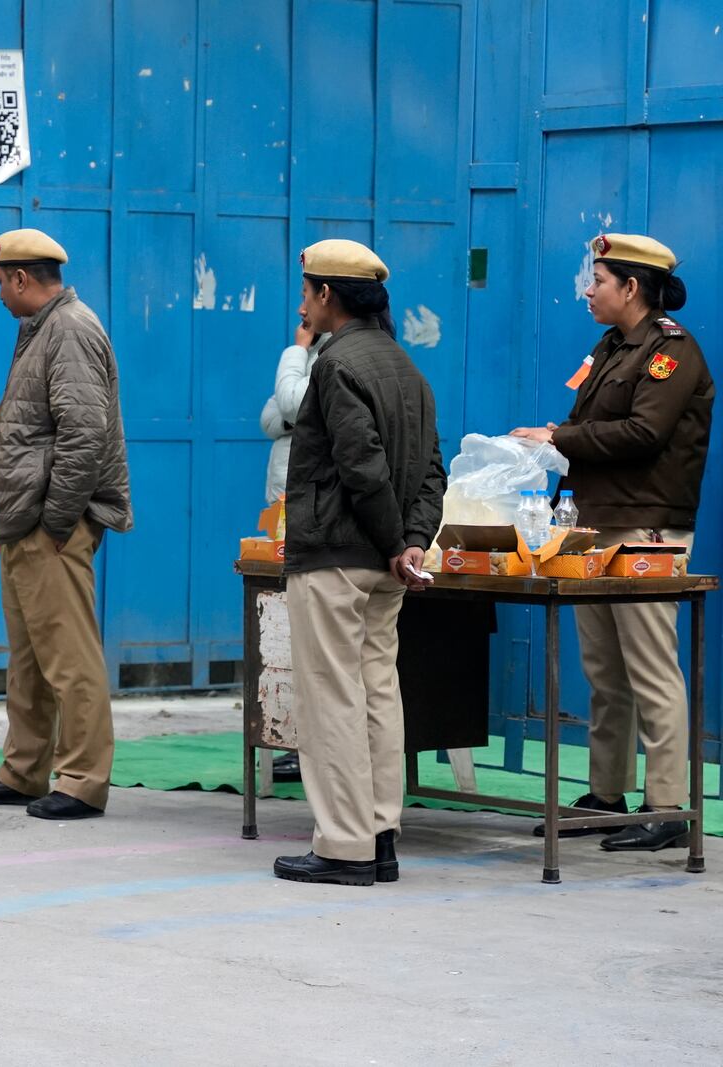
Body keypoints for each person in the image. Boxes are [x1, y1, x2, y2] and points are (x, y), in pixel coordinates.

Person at [512, 233, 714, 851]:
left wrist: (558, 438)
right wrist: (556, 438)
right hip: (595, 525)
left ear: (631, 288)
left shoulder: (670, 353)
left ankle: (667, 805)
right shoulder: (610, 347)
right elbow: (589, 426)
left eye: (597, 280)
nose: (588, 290)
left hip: (646, 526)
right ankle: (608, 794)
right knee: (604, 668)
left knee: (652, 666)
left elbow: (644, 433)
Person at [273, 239, 445, 886]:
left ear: (326, 295)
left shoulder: (334, 363)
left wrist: (393, 535)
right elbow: (433, 469)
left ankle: (343, 845)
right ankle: (380, 835)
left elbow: (360, 465)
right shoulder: (408, 369)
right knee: (378, 692)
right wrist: (411, 543)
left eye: (307, 292)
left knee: (334, 699)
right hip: (385, 565)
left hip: (336, 557)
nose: (302, 304)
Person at [0, 228, 132, 820]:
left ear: (22, 278)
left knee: (68, 657)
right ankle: (24, 771)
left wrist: (57, 521)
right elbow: (43, 418)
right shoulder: (44, 328)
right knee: (29, 658)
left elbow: (85, 435)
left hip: (47, 522)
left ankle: (81, 780)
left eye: (1, 281)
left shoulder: (70, 330)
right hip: (23, 517)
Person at [259, 324, 329, 783]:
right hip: (284, 508)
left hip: (314, 511)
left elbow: (290, 404)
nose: (302, 312)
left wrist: (296, 350)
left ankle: (314, 747)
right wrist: (296, 411)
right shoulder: (314, 355)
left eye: (308, 297)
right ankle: (293, 739)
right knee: (285, 637)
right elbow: (270, 418)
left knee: (316, 643)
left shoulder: (328, 355)